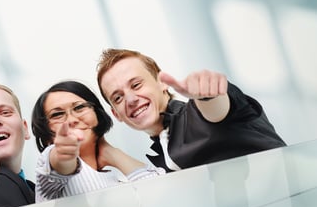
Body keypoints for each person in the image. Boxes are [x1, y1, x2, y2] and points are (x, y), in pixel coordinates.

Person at [96, 48, 286, 171]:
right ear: (116, 114)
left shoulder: (198, 114)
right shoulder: (162, 152)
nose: (130, 99)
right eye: (118, 97)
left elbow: (216, 110)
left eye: (136, 85)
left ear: (161, 83)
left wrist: (207, 94)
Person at [31, 80, 162, 202]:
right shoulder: (48, 165)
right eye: (57, 114)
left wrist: (112, 153)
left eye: (79, 107)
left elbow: (159, 192)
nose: (71, 120)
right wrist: (63, 153)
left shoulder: (116, 179)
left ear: (97, 114)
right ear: (45, 131)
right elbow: (58, 164)